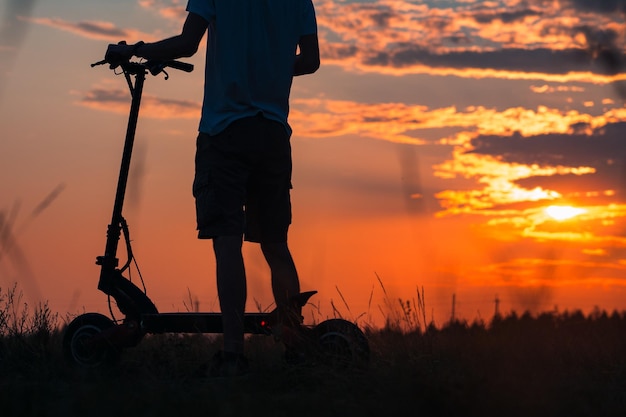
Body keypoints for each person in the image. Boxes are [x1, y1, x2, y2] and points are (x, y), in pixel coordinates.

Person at [105, 0, 319, 376]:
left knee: (227, 241)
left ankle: (234, 353)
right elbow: (311, 60)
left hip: (225, 132)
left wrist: (134, 50)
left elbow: (188, 43)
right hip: (272, 132)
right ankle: (295, 341)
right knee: (275, 243)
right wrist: (268, 71)